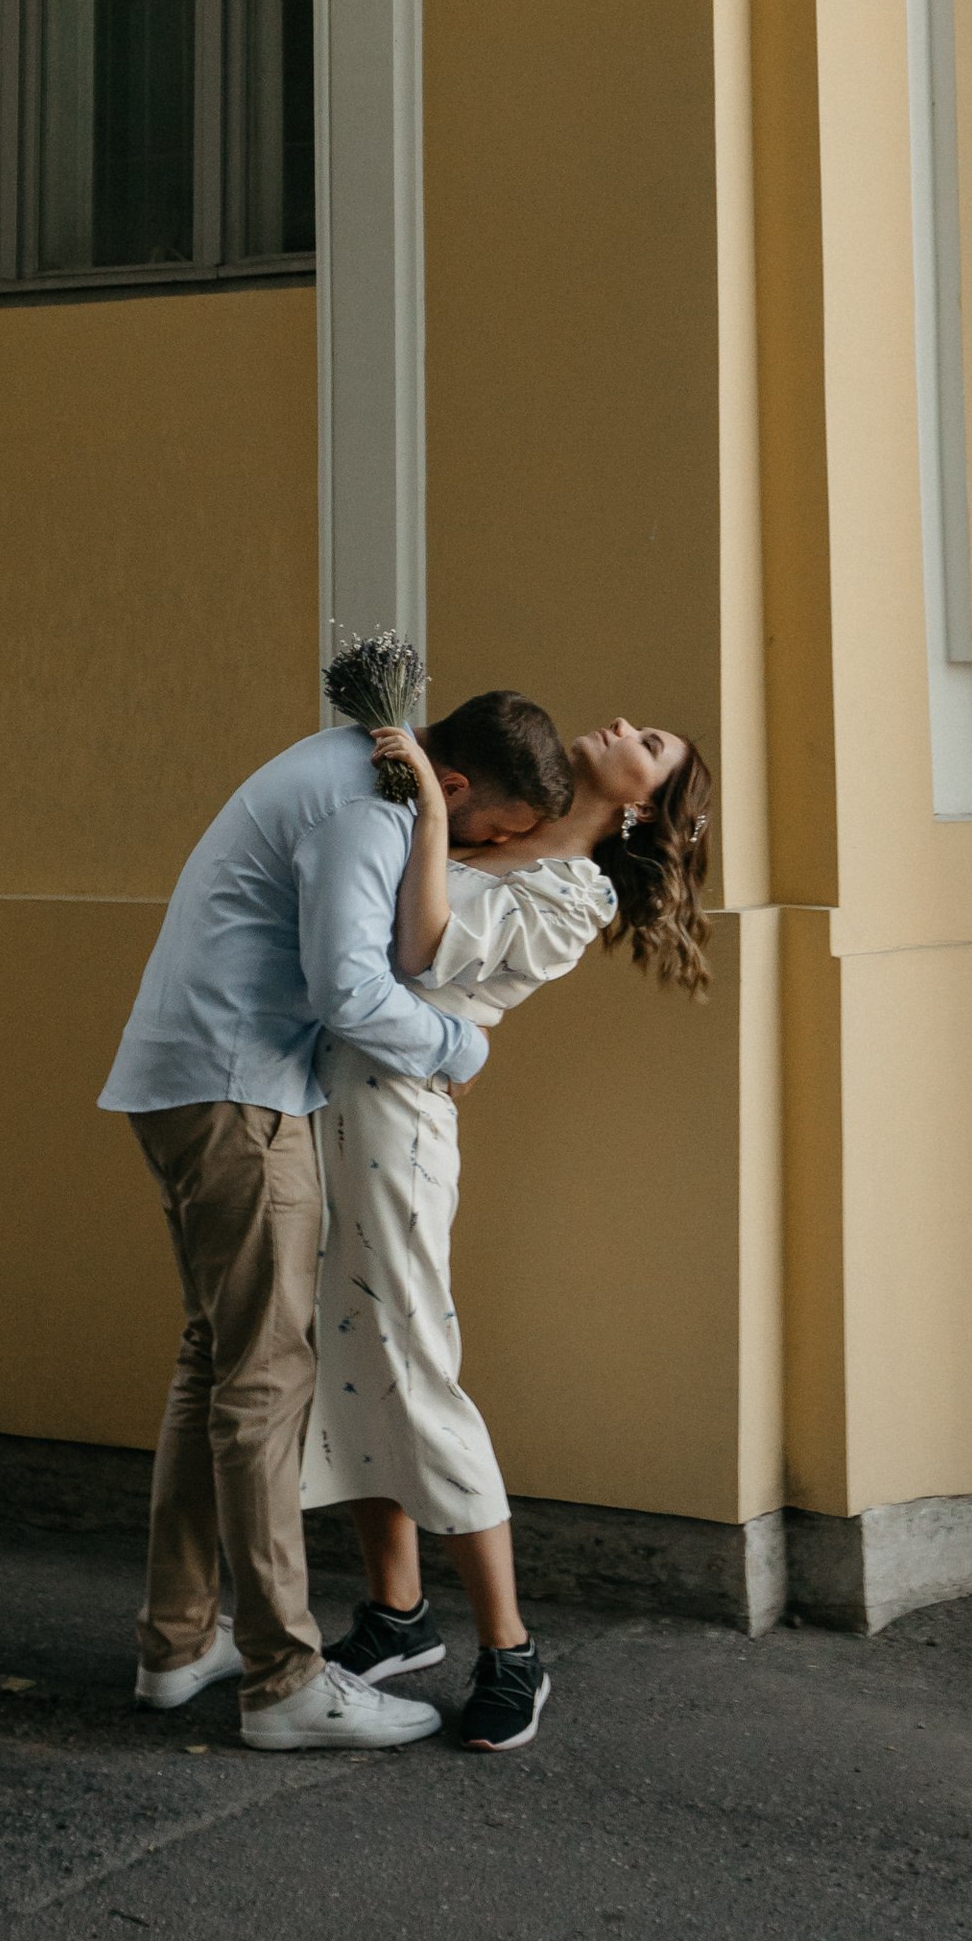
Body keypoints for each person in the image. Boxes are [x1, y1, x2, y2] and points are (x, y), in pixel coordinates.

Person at [97, 689, 572, 1751]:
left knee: (214, 1359)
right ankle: (283, 1683)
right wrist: (462, 1050)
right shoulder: (368, 811)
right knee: (264, 1383)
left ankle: (178, 1642)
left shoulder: (345, 765)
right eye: (483, 834)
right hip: (241, 1095)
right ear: (450, 790)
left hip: (188, 1080)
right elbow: (352, 991)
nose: (473, 854)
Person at [302, 713, 713, 1753]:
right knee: (342, 1358)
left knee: (415, 1363)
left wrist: (431, 809)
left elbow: (422, 948)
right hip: (324, 1098)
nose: (627, 724)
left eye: (652, 743)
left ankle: (511, 1650)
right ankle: (395, 1617)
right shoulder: (493, 834)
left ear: (640, 803)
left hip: (397, 1118)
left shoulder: (577, 892)